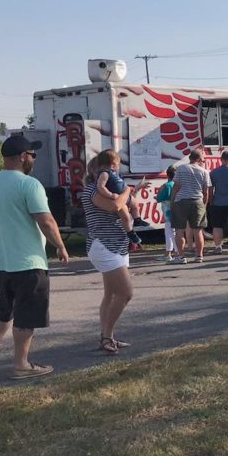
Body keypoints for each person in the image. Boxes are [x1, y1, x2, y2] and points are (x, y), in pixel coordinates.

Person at [0, 136, 68, 379]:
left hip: (1, 261)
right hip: (28, 261)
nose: (34, 159)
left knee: (4, 308)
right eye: (32, 155)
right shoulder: (29, 185)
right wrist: (60, 246)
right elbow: (46, 221)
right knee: (27, 313)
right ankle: (21, 365)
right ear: (22, 156)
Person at [82, 151, 137, 355]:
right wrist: (127, 190)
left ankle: (107, 337)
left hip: (117, 244)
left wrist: (130, 194)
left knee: (111, 294)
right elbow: (116, 205)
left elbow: (124, 206)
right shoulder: (92, 191)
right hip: (104, 245)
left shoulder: (109, 189)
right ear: (96, 171)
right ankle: (106, 336)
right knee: (126, 293)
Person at [92, 149, 148, 245]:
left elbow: (120, 184)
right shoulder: (104, 173)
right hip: (117, 198)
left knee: (135, 203)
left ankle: (137, 219)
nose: (118, 166)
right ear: (112, 164)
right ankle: (131, 233)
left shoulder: (115, 173)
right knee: (126, 216)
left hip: (124, 196)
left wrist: (131, 189)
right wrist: (110, 195)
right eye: (118, 163)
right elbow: (100, 187)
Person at [170, 149, 211, 264]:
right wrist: (204, 205)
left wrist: (172, 201)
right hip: (197, 201)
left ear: (190, 157)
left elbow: (176, 186)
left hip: (181, 201)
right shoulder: (204, 172)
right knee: (198, 231)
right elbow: (206, 192)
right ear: (199, 159)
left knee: (179, 230)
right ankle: (199, 256)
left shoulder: (181, 168)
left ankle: (181, 257)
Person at [154, 165, 177, 262]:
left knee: (169, 233)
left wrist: (157, 196)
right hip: (177, 211)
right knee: (175, 232)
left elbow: (160, 198)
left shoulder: (166, 186)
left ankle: (169, 253)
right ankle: (177, 252)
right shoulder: (178, 184)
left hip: (168, 213)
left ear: (167, 175)